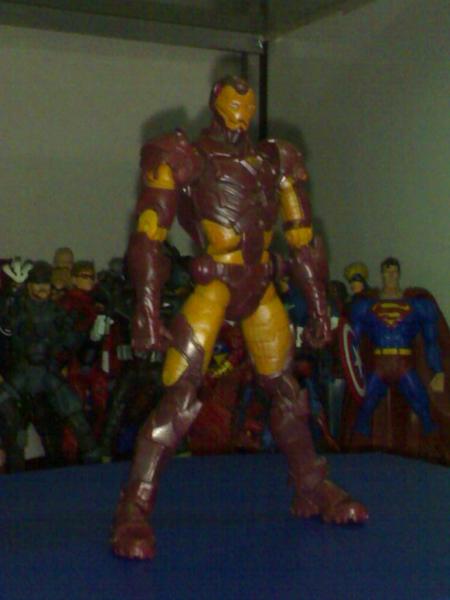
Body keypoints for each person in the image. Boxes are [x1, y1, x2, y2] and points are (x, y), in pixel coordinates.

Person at [111, 75, 368, 560]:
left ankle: (312, 484)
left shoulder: (276, 159)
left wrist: (318, 304)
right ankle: (134, 507)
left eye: (247, 105)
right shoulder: (183, 155)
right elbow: (149, 234)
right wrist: (145, 308)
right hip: (214, 284)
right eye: (233, 102)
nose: (241, 111)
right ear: (216, 101)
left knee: (286, 390)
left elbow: (301, 236)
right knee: (180, 393)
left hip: (260, 285)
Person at [0, 261, 100, 471]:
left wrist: (89, 334)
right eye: (38, 283)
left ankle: (95, 465)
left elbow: (69, 342)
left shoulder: (56, 311)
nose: (42, 288)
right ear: (29, 285)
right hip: (22, 373)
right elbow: (5, 334)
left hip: (47, 372)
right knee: (15, 431)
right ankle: (15, 477)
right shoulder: (17, 308)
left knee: (76, 416)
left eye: (45, 283)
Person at [350, 257, 445, 437]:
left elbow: (431, 340)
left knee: (422, 405)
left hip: (403, 363)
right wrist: (348, 367)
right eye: (387, 272)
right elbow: (352, 341)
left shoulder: (418, 305)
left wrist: (438, 370)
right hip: (380, 363)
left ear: (399, 274)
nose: (391, 275)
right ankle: (360, 444)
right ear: (382, 274)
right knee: (365, 407)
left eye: (394, 271)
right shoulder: (365, 306)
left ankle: (432, 440)